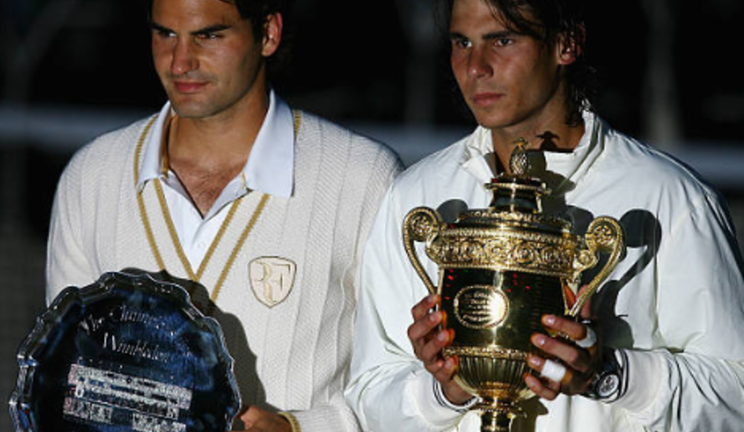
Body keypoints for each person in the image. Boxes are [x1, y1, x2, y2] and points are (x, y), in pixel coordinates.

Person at [345, 0, 744, 431]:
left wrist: (609, 375)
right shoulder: (415, 195)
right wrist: (445, 389)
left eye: (502, 40)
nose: (475, 67)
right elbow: (367, 398)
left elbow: (736, 398)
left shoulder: (670, 199)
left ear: (566, 43)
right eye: (462, 42)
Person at [44, 0, 402, 431]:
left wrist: (297, 427)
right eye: (165, 34)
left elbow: (405, 382)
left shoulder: (362, 178)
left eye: (208, 35)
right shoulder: (93, 175)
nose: (180, 61)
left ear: (268, 33)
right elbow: (67, 380)